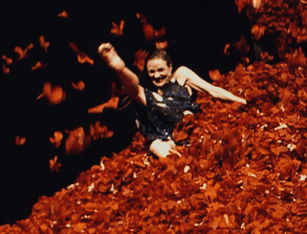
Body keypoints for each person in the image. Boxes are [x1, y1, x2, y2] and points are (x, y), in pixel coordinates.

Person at [97, 44, 245, 158]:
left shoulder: (181, 75)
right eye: (152, 72)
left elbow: (212, 90)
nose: (157, 76)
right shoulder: (152, 95)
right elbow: (135, 91)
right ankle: (182, 165)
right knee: (155, 145)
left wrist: (239, 100)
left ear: (170, 67)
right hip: (169, 138)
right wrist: (119, 68)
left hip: (194, 130)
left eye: (161, 70)